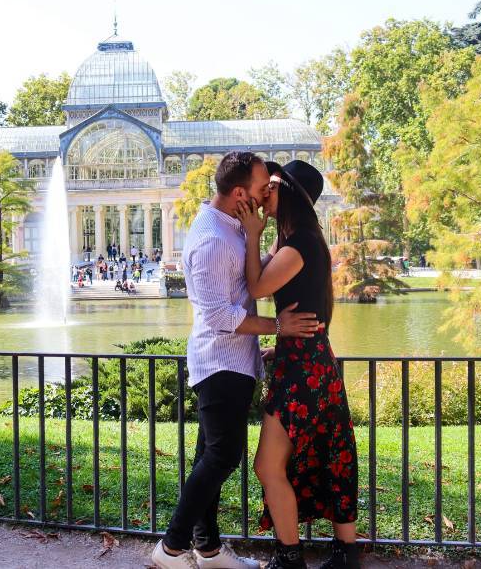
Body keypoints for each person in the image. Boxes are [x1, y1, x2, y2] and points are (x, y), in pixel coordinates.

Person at [151, 152, 323, 569]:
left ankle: (207, 549)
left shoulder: (231, 229)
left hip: (235, 363)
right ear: (240, 193)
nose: (267, 195)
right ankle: (170, 548)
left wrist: (257, 240)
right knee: (224, 456)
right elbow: (218, 317)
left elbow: (255, 277)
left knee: (208, 457)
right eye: (264, 188)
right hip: (220, 364)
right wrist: (279, 327)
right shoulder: (212, 238)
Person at [237, 160, 359, 569]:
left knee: (267, 466)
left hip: (303, 372)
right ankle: (343, 555)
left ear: (285, 191)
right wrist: (281, 344)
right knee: (330, 454)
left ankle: (290, 557)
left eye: (269, 185)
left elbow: (257, 286)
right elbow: (298, 308)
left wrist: (252, 235)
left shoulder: (298, 244)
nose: (262, 193)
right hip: (307, 361)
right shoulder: (299, 240)